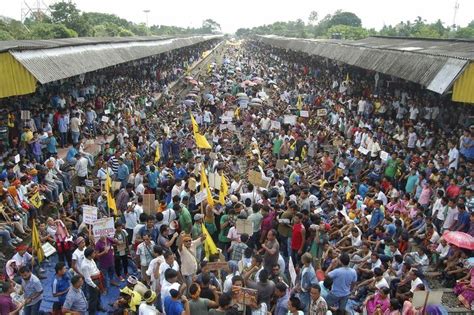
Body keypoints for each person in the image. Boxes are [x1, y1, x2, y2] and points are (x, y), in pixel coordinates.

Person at [81, 247, 104, 314]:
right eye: (93, 253)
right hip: (93, 282)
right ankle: (92, 312)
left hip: (98, 279)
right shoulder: (85, 265)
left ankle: (98, 306)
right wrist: (94, 286)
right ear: (89, 255)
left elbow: (95, 268)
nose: (95, 254)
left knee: (98, 295)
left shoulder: (91, 259)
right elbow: (87, 279)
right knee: (93, 298)